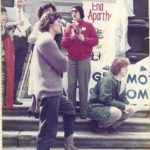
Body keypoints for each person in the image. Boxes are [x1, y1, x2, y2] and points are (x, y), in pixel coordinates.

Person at [29, 12, 77, 150]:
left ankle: (69, 145)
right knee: (47, 132)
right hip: (48, 91)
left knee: (70, 111)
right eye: (58, 21)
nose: (61, 23)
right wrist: (65, 60)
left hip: (53, 90)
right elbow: (63, 65)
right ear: (50, 23)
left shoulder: (47, 39)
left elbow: (60, 64)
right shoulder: (46, 40)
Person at [61, 5, 99, 119]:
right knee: (71, 85)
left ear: (81, 13)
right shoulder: (68, 27)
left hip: (84, 59)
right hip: (71, 59)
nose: (73, 13)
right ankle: (71, 111)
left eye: (76, 11)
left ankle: (83, 111)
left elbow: (96, 41)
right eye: (72, 12)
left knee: (83, 85)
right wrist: (71, 37)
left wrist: (84, 39)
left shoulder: (88, 26)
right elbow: (63, 43)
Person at [87, 57, 135, 132]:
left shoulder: (121, 82)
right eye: (124, 67)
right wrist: (124, 106)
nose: (127, 69)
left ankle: (111, 127)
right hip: (96, 107)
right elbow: (105, 99)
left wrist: (129, 105)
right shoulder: (108, 80)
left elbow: (123, 99)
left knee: (131, 110)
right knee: (117, 113)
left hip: (108, 107)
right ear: (118, 68)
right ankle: (98, 126)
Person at [28, 2, 57, 118]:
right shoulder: (38, 24)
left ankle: (38, 106)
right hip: (38, 54)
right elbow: (30, 38)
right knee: (35, 78)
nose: (48, 13)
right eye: (45, 11)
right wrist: (44, 36)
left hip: (49, 55)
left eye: (50, 11)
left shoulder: (55, 24)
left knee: (44, 80)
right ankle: (34, 104)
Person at [6, 0, 31, 105]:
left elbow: (29, 30)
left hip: (23, 42)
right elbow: (3, 24)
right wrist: (15, 23)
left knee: (18, 71)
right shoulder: (8, 10)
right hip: (12, 40)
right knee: (8, 69)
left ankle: (13, 97)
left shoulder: (27, 15)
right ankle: (5, 97)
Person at [1, 6, 15, 109]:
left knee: (4, 81)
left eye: (5, 14)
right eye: (2, 14)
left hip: (4, 59)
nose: (4, 17)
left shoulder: (3, 28)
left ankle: (3, 102)